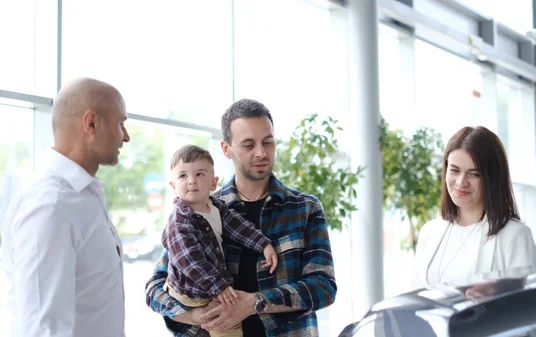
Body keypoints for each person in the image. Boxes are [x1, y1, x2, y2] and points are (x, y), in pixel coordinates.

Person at [145, 99, 337, 337]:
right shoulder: (201, 210)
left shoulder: (304, 208)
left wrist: (254, 303)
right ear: (226, 149)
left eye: (268, 142)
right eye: (248, 145)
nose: (261, 153)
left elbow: (324, 287)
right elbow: (154, 289)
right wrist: (194, 315)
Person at [1, 77, 130, 337]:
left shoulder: (84, 194)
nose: (125, 137)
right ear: (91, 123)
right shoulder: (50, 206)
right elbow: (41, 328)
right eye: (120, 124)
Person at [162, 144, 278, 337]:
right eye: (183, 176)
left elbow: (239, 227)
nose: (191, 181)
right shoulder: (179, 222)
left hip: (209, 285)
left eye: (199, 174)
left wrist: (263, 244)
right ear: (173, 185)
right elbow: (191, 261)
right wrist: (219, 286)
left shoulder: (216, 206)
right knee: (226, 325)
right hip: (191, 292)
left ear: (213, 183)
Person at [411, 126, 536, 290]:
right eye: (454, 171)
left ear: (492, 179)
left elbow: (527, 305)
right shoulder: (429, 232)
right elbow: (415, 296)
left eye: (474, 174)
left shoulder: (515, 236)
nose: (461, 182)